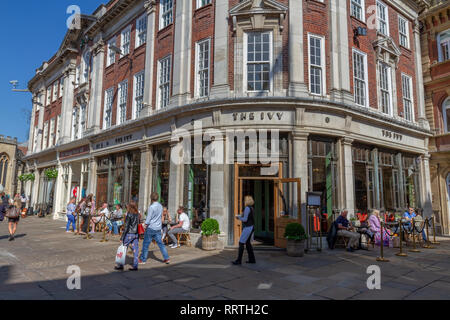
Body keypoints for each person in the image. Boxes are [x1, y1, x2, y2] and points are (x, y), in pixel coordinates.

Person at [139, 192, 170, 265]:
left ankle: (143, 259)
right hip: (158, 228)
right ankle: (166, 258)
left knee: (146, 244)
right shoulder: (160, 206)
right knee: (161, 244)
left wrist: (144, 224)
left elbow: (148, 218)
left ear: (151, 198)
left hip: (151, 228)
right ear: (157, 198)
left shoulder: (151, 207)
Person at [115, 201, 141, 271]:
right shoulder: (137, 214)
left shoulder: (129, 214)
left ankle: (120, 265)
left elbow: (126, 226)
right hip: (136, 234)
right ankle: (135, 265)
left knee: (123, 248)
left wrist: (122, 237)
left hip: (129, 233)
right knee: (135, 250)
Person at [232, 195, 256, 265]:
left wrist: (238, 218)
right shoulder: (251, 208)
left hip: (248, 227)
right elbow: (246, 217)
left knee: (241, 243)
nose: (243, 201)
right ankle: (252, 259)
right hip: (251, 227)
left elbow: (245, 219)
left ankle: (239, 260)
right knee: (248, 243)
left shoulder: (247, 208)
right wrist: (240, 216)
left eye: (244, 200)